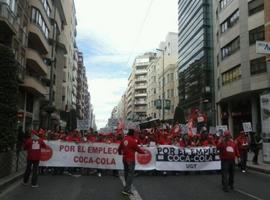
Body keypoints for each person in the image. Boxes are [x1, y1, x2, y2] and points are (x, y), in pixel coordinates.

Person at [118, 129, 145, 196]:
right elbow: (138, 149)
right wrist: (144, 152)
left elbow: (119, 148)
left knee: (126, 173)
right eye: (135, 134)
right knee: (130, 175)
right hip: (130, 159)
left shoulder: (124, 139)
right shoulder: (132, 141)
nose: (136, 135)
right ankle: (126, 190)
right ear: (133, 134)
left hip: (124, 159)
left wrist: (120, 153)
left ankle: (127, 188)